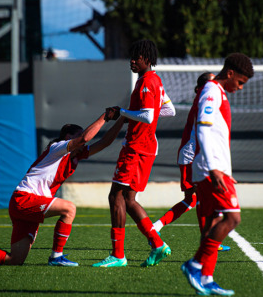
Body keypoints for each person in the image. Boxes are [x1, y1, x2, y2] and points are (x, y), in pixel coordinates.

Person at [0, 108, 124, 267]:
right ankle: (56, 257)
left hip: (26, 204)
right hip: (25, 199)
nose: (83, 142)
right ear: (68, 138)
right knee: (69, 209)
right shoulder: (58, 148)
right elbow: (85, 137)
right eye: (77, 137)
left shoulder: (76, 154)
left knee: (14, 259)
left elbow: (104, 143)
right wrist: (105, 117)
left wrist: (122, 120)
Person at [93, 39, 176, 268]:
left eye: (136, 57)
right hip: (146, 147)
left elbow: (149, 116)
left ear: (147, 60)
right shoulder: (154, 80)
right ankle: (157, 244)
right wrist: (136, 115)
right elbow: (169, 110)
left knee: (116, 197)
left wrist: (122, 112)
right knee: (128, 200)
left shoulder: (147, 81)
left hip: (136, 148)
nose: (132, 60)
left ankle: (119, 255)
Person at [181, 53, 254, 295]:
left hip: (213, 168)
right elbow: (203, 129)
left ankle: (207, 278)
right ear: (230, 74)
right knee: (233, 218)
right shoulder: (211, 91)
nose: (240, 88)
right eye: (240, 82)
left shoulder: (218, 92)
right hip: (210, 169)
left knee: (213, 222)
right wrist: (214, 167)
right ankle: (194, 265)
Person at [152, 72, 230, 252]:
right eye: (212, 81)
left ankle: (157, 226)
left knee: (194, 199)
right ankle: (208, 239)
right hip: (191, 156)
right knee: (200, 198)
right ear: (203, 87)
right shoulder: (204, 100)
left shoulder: (204, 99)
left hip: (192, 155)